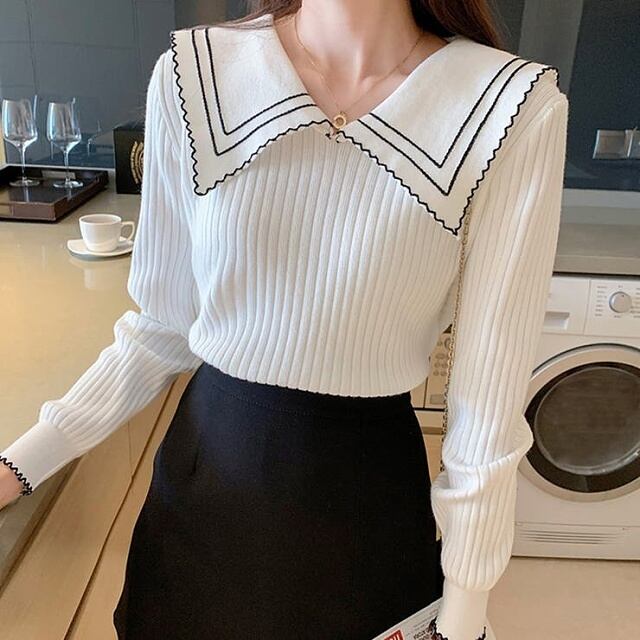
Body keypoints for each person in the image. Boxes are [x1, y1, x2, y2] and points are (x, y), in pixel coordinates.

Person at [0, 1, 569, 639]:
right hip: (203, 498)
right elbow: (161, 326)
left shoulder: (511, 108)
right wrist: (18, 466)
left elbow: (487, 407)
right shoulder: (196, 75)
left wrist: (463, 617)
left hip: (365, 513)